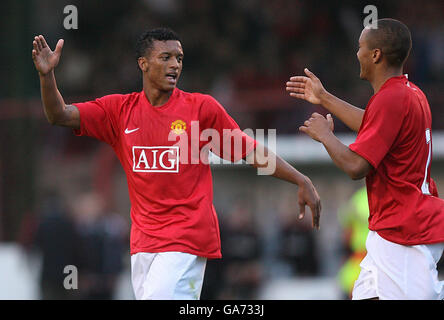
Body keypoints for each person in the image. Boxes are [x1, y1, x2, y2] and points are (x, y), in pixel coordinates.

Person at [32, 27, 321, 300]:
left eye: (179, 58)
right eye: (166, 57)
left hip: (186, 239)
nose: (175, 65)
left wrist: (300, 179)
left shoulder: (200, 109)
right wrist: (47, 77)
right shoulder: (119, 111)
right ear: (143, 64)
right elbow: (59, 115)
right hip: (143, 245)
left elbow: (251, 151)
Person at [286, 18, 444, 300]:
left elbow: (356, 167)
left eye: (360, 47)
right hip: (396, 229)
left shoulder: (390, 99)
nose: (356, 53)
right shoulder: (410, 93)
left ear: (375, 54)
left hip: (403, 233)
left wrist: (326, 136)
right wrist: (323, 97)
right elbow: (375, 124)